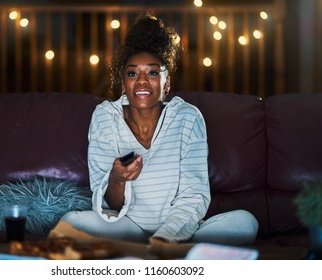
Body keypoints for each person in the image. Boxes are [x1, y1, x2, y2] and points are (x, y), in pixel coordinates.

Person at [61, 12, 258, 245]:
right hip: (127, 228)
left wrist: (164, 239)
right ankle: (172, 259)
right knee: (72, 222)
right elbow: (109, 205)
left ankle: (153, 256)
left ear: (167, 83)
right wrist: (116, 179)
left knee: (245, 222)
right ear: (123, 83)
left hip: (180, 232)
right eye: (132, 73)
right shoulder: (105, 118)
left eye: (153, 73)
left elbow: (193, 196)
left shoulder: (188, 118)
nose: (142, 81)